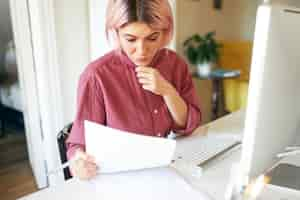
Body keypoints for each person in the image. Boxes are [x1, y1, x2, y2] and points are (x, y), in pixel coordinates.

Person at [66, 0, 201, 180]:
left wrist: (168, 91)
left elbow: (188, 126)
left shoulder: (175, 65)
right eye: (130, 39)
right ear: (116, 33)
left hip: (164, 171)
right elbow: (78, 146)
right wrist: (79, 163)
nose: (142, 51)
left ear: (166, 32)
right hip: (119, 180)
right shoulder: (96, 76)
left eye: (152, 38)